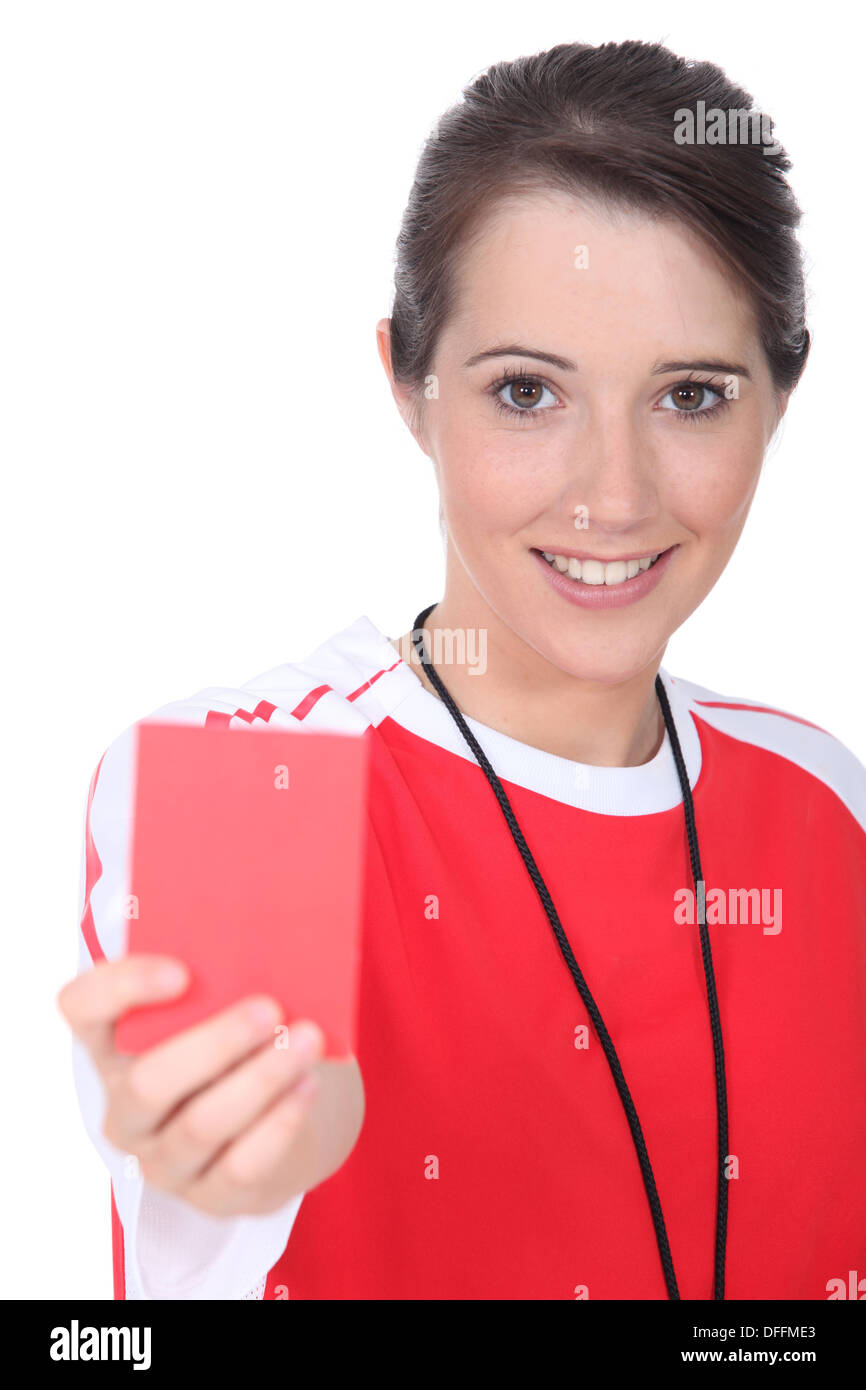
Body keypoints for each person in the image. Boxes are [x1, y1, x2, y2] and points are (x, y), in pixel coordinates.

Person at [58, 38, 866, 1301]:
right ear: (407, 386)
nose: (611, 493)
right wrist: (237, 1169)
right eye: (527, 392)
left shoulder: (823, 796)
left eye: (691, 396)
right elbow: (206, 1190)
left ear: (780, 396)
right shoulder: (260, 775)